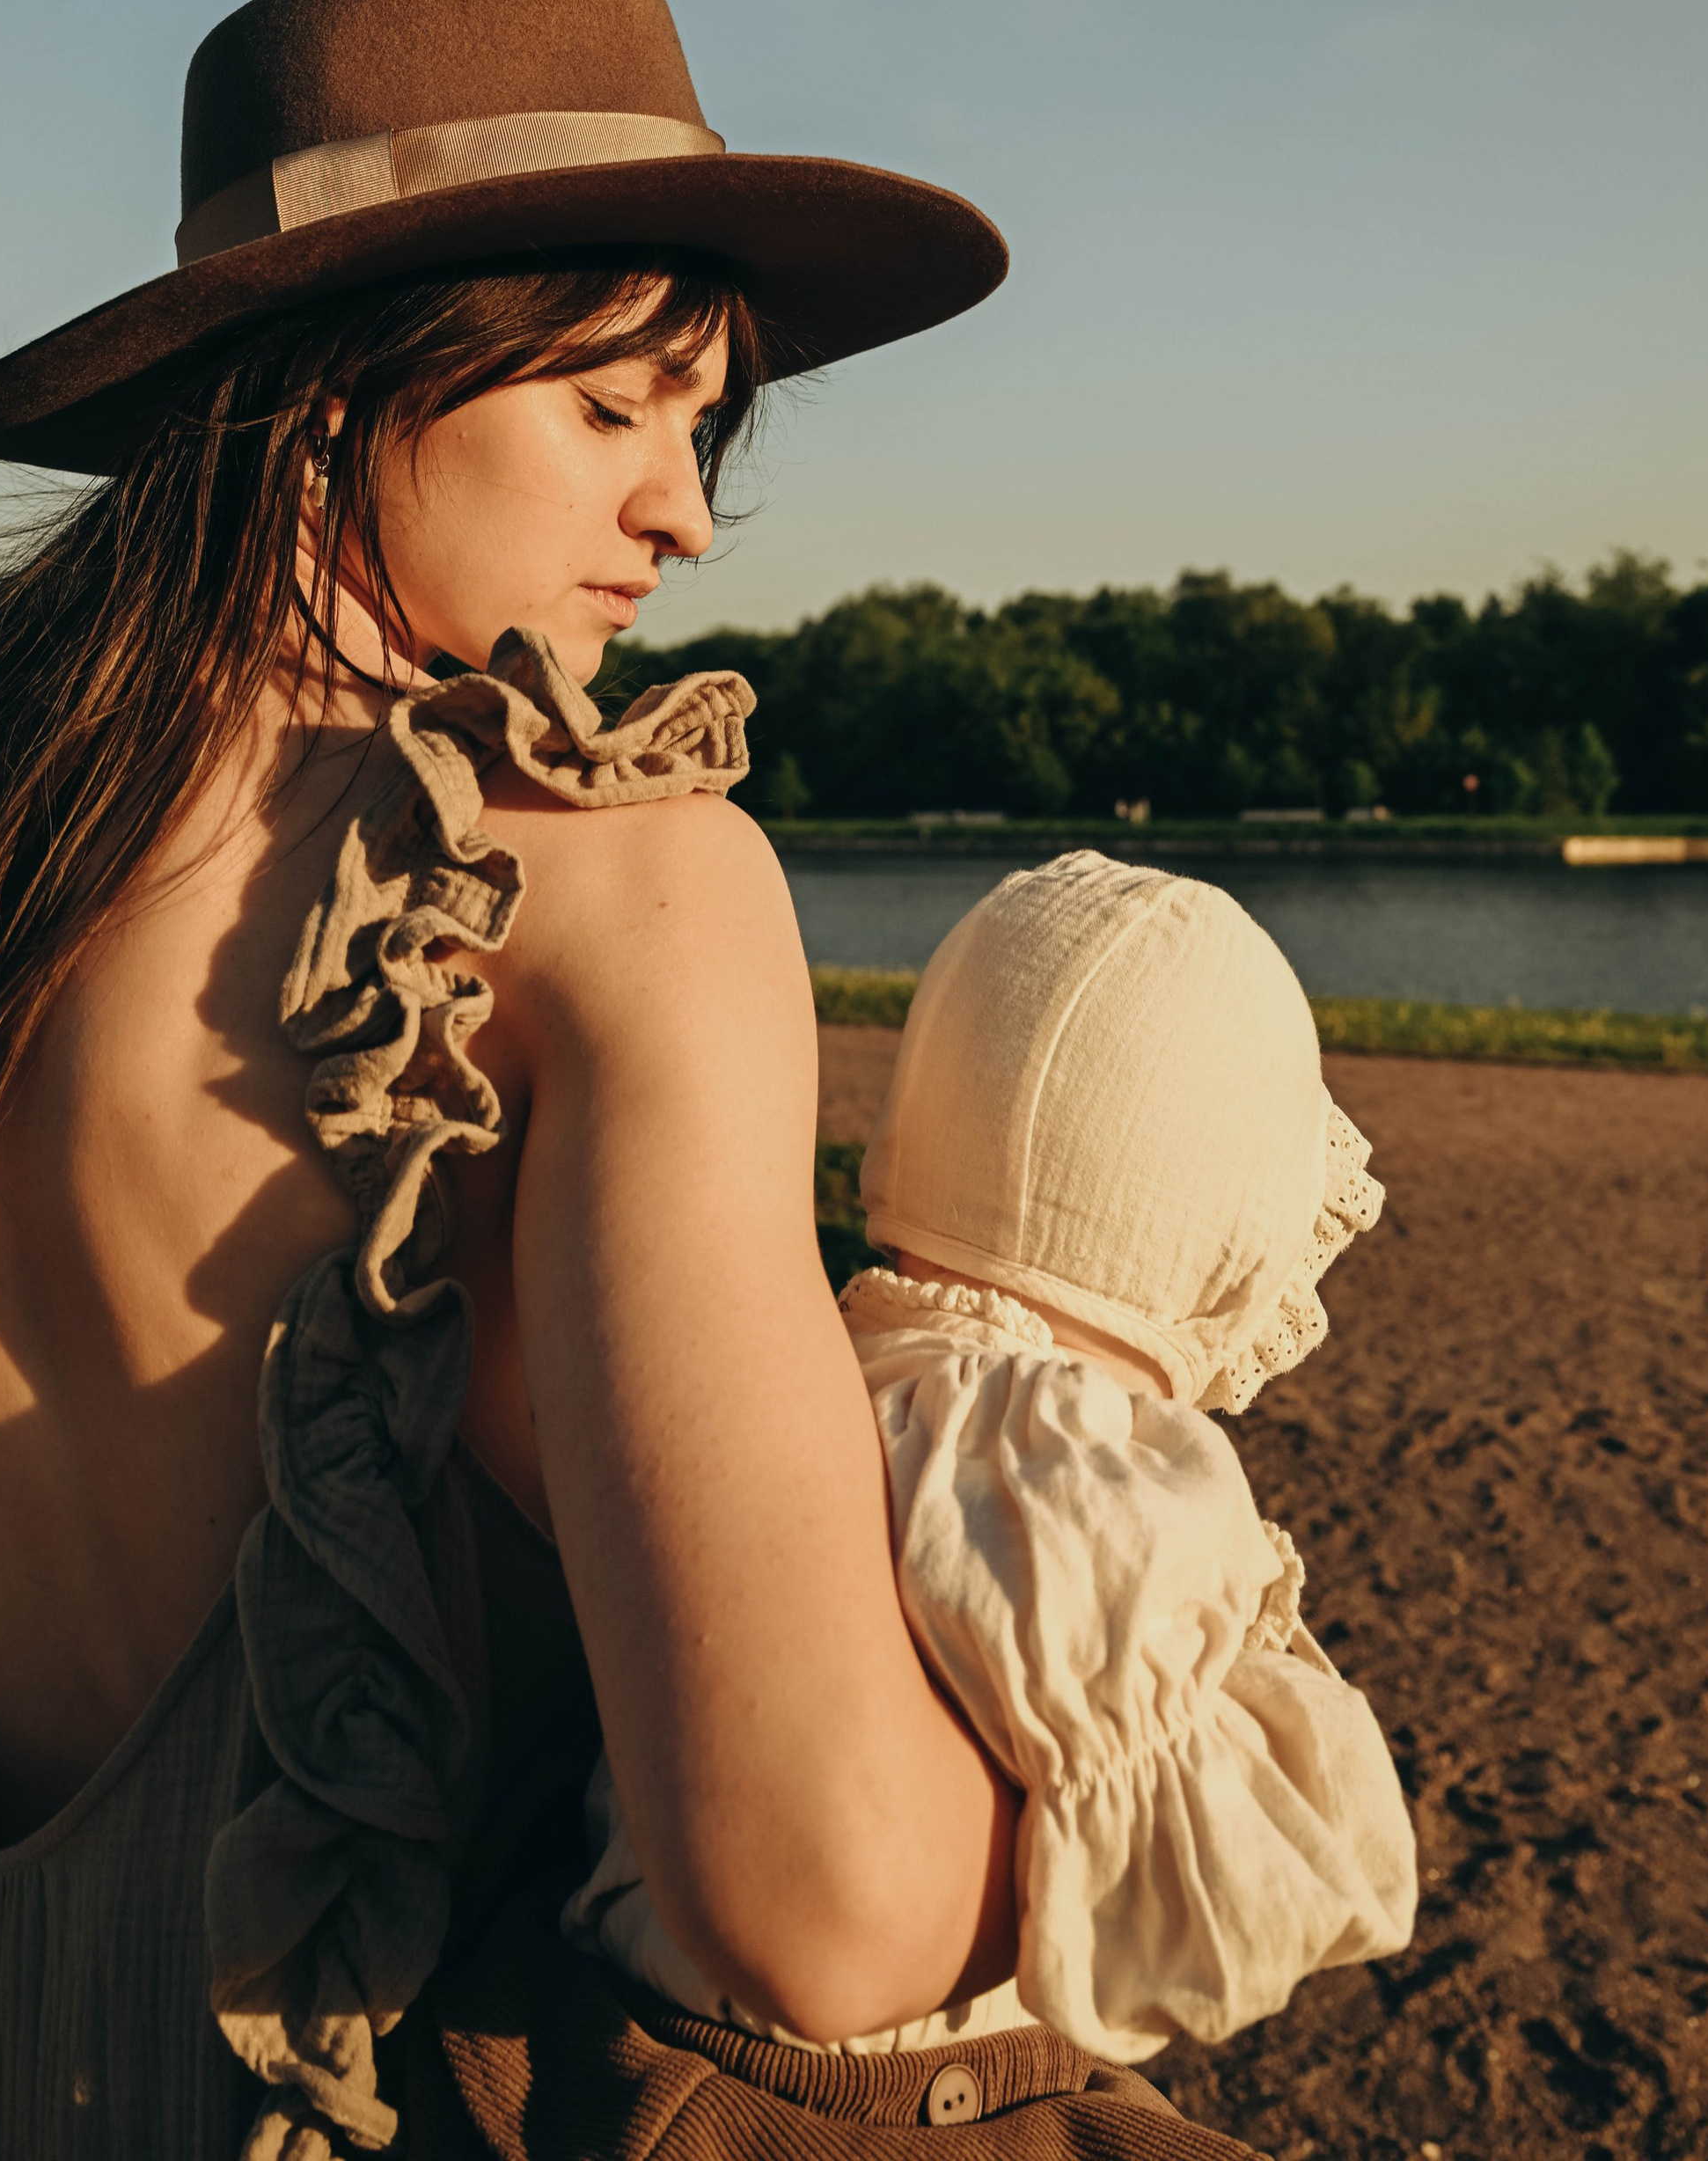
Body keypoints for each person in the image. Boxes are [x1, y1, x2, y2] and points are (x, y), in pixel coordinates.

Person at [0, 0, 1115, 2159]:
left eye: (698, 422)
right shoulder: (608, 885)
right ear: (341, 377)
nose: (686, 514)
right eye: (606, 407)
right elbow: (824, 1915)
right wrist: (1130, 1678)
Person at [569, 851, 1418, 2060]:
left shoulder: (802, 1365)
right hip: (841, 2098)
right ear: (1214, 1234)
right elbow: (1231, 1901)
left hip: (628, 2017)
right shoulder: (1064, 1467)